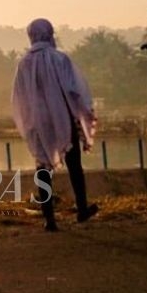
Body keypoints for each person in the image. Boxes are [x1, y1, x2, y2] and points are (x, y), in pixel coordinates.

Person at [11, 18, 99, 232]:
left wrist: (30, 119)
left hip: (38, 122)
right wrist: (83, 111)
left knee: (42, 168)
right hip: (62, 119)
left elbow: (19, 97)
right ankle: (81, 209)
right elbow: (74, 89)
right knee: (74, 165)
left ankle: (49, 219)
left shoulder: (24, 63)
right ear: (50, 33)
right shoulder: (60, 59)